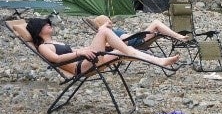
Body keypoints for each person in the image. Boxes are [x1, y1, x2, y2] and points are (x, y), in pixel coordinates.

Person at [26, 17, 180, 76]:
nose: (49, 25)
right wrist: (80, 51)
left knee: (126, 51)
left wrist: (84, 49)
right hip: (82, 68)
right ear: (39, 30)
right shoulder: (43, 46)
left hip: (86, 61)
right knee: (104, 31)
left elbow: (72, 52)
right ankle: (125, 47)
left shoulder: (54, 42)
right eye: (45, 24)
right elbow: (56, 58)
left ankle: (160, 62)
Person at [92, 15, 191, 46]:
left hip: (136, 38)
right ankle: (178, 37)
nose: (110, 21)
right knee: (156, 23)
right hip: (138, 41)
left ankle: (176, 37)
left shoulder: (109, 32)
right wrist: (136, 35)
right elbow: (124, 41)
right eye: (107, 21)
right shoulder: (111, 33)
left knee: (157, 26)